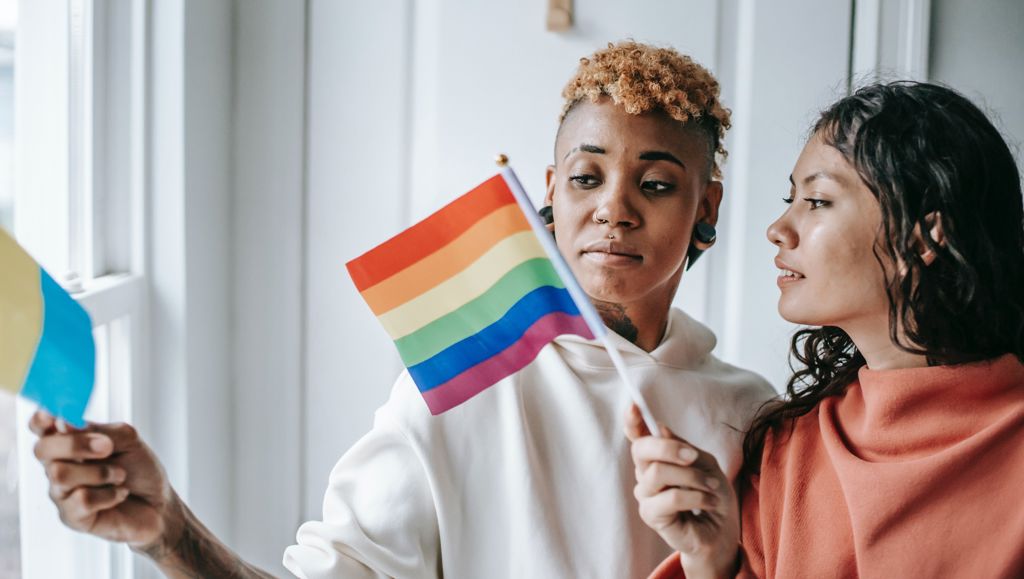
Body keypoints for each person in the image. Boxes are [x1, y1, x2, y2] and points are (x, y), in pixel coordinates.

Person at [30, 41, 774, 578]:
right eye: (586, 177)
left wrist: (718, 561)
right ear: (549, 192)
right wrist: (169, 532)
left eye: (655, 185)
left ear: (705, 205)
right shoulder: (464, 381)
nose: (612, 210)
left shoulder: (755, 416)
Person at [628, 81, 1024, 578]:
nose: (777, 228)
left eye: (816, 201)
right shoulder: (786, 448)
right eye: (790, 197)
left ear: (924, 238)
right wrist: (712, 559)